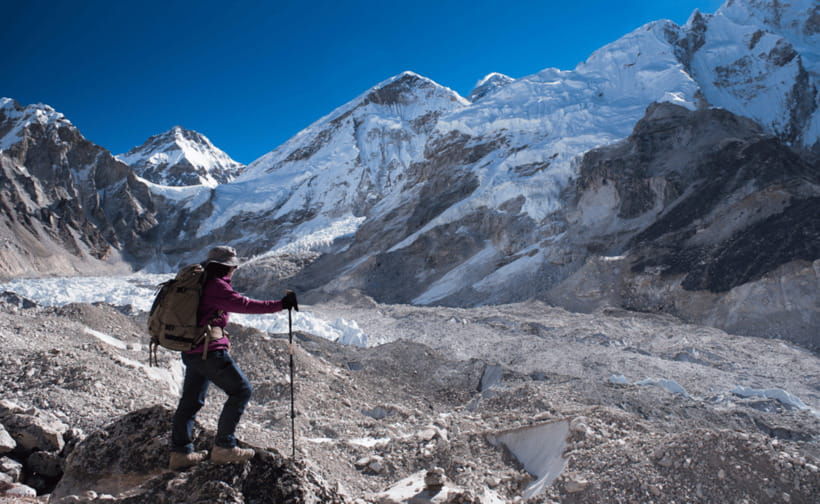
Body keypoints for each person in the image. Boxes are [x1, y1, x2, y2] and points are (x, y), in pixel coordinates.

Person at [169, 246, 298, 470]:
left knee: (191, 401)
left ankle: (180, 453)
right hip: (209, 351)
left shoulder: (201, 282)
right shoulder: (216, 286)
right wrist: (280, 305)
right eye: (233, 267)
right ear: (227, 267)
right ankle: (224, 447)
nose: (234, 270)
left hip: (192, 349)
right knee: (241, 390)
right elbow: (244, 305)